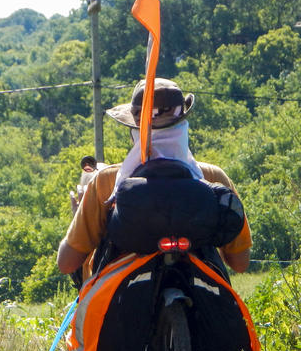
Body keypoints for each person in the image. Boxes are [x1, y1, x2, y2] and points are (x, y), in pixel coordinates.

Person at [56, 78, 251, 279]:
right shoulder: (212, 178)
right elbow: (240, 262)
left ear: (135, 131)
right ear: (182, 125)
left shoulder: (108, 182)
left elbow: (67, 263)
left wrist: (77, 215)